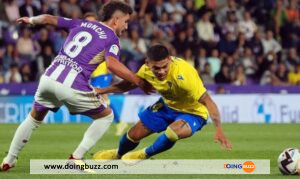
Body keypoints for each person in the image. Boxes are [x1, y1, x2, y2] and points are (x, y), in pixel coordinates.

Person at [0, 1, 153, 171]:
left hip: (48, 78)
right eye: (126, 21)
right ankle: (76, 157)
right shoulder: (112, 38)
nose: (126, 26)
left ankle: (9, 159)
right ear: (116, 20)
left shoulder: (80, 23)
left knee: (33, 118)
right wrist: (137, 80)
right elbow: (112, 64)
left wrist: (31, 20)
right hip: (72, 84)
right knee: (106, 116)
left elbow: (49, 19)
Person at [93, 44, 232, 164]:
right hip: (167, 106)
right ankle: (118, 154)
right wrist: (102, 90)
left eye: (164, 67)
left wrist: (218, 129)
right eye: (156, 68)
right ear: (148, 63)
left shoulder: (184, 75)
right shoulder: (146, 70)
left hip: (194, 112)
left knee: (172, 133)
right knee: (133, 134)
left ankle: (144, 154)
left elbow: (208, 100)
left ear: (170, 60)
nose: (161, 71)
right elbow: (128, 85)